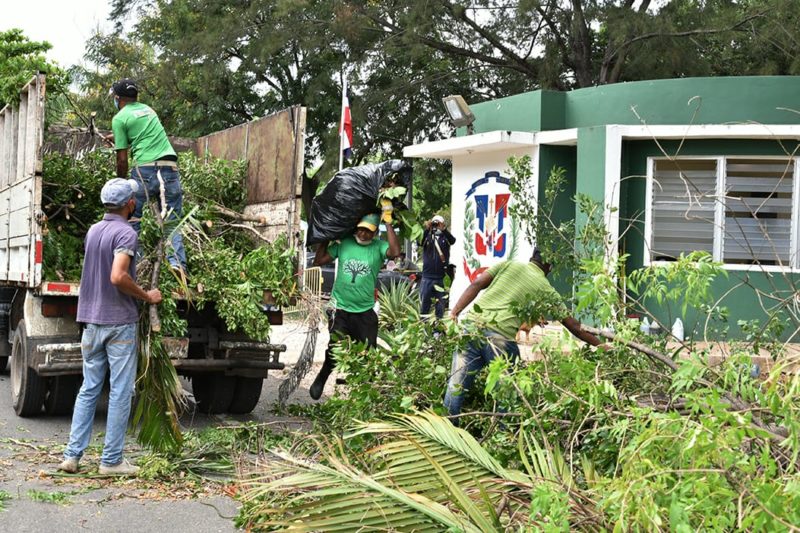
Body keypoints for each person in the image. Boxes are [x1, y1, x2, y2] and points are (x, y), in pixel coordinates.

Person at [59, 178, 163, 476]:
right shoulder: (126, 233)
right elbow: (117, 276)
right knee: (119, 391)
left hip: (91, 322)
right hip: (118, 323)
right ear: (130, 204)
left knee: (89, 388)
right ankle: (111, 460)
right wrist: (147, 296)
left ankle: (72, 456)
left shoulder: (93, 231)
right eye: (134, 199)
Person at [444, 249, 608, 419]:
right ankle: (503, 433)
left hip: (471, 328)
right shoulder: (545, 288)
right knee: (507, 396)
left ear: (531, 257)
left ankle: (445, 428)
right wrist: (603, 346)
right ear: (549, 267)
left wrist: (454, 312)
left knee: (456, 386)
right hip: (500, 338)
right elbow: (574, 327)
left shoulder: (508, 265)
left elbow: (476, 284)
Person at [310, 213, 401, 399]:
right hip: (340, 309)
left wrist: (388, 222)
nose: (363, 234)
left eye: (368, 231)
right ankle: (322, 377)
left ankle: (363, 395)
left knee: (368, 355)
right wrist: (326, 237)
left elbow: (395, 252)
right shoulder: (345, 243)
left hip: (365, 311)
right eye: (361, 229)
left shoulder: (378, 247)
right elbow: (318, 261)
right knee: (335, 349)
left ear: (375, 233)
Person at [110, 78, 187, 274]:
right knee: (172, 219)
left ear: (118, 98)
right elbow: (144, 133)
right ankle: (177, 265)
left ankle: (138, 266)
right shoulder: (149, 110)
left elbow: (122, 160)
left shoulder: (119, 118)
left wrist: (121, 183)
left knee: (133, 218)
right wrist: (117, 137)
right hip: (169, 168)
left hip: (144, 171)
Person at [420, 215, 455, 318]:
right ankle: (423, 324)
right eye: (435, 223)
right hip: (427, 277)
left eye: (438, 223)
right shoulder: (427, 237)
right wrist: (428, 229)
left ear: (442, 224)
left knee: (440, 306)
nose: (436, 225)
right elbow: (420, 242)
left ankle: (438, 326)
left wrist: (443, 229)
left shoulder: (445, 238)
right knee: (424, 304)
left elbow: (453, 240)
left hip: (441, 277)